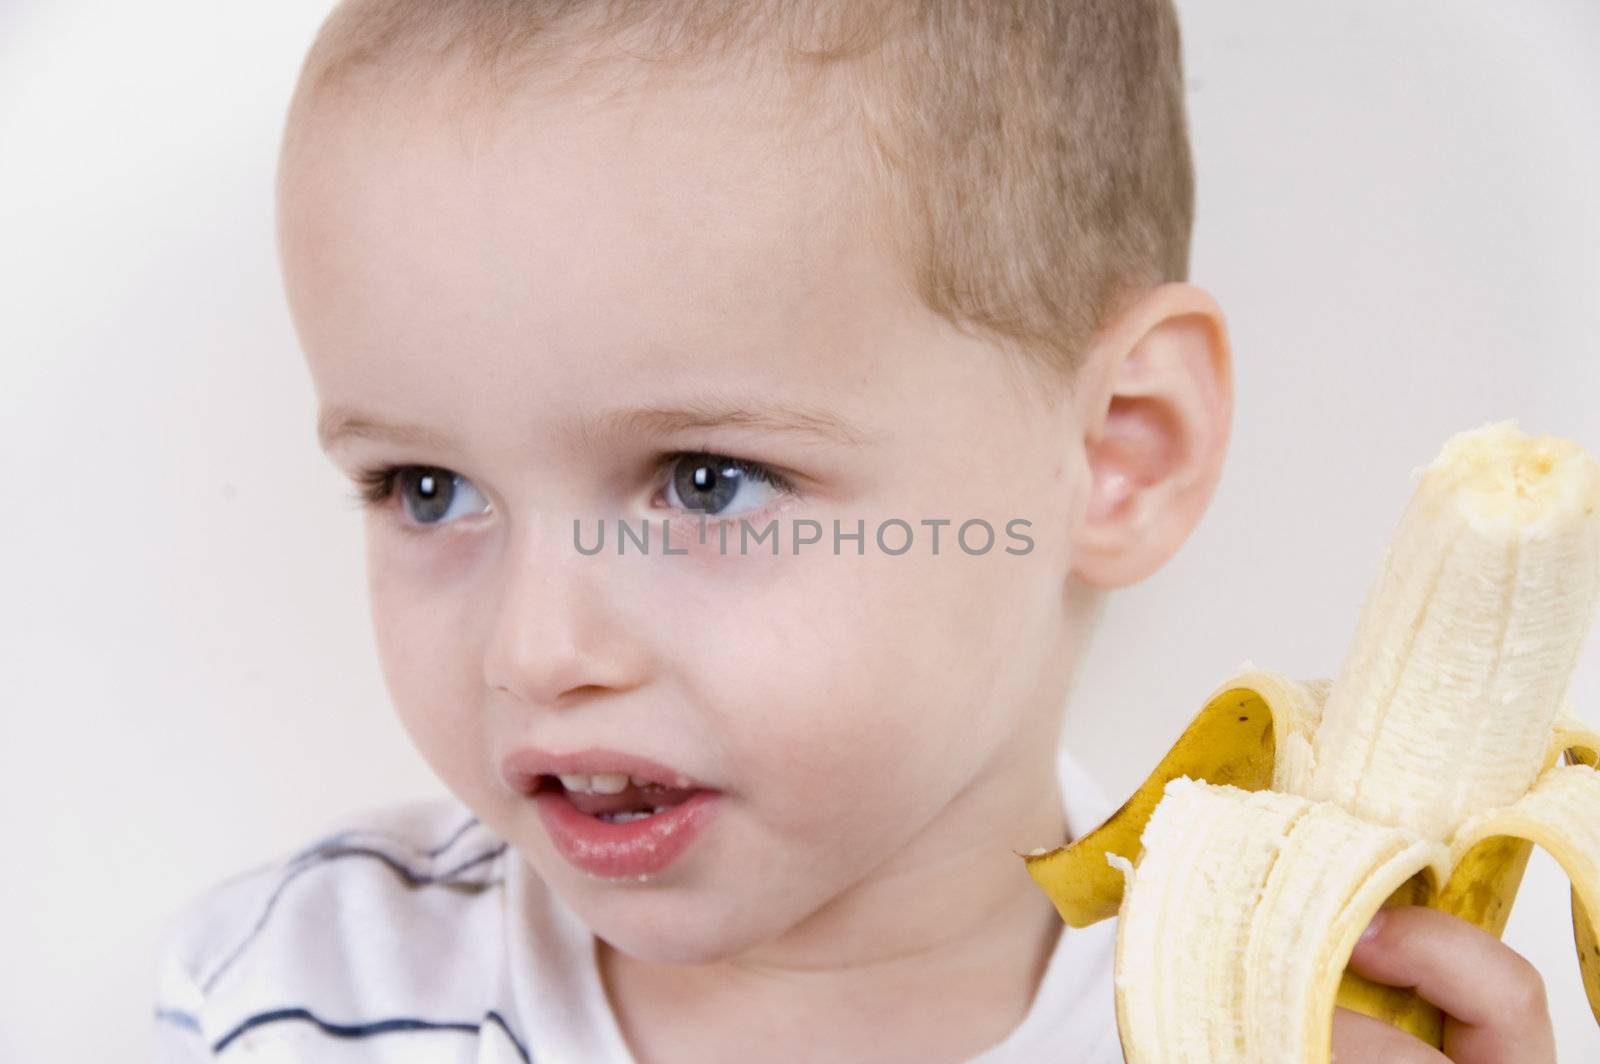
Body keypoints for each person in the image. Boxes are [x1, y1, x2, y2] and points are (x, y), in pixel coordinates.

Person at [152, 1, 1557, 1060]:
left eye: (705, 481)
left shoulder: (1283, 1038)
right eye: (424, 489)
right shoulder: (293, 994)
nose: (537, 651)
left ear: (1117, 453)